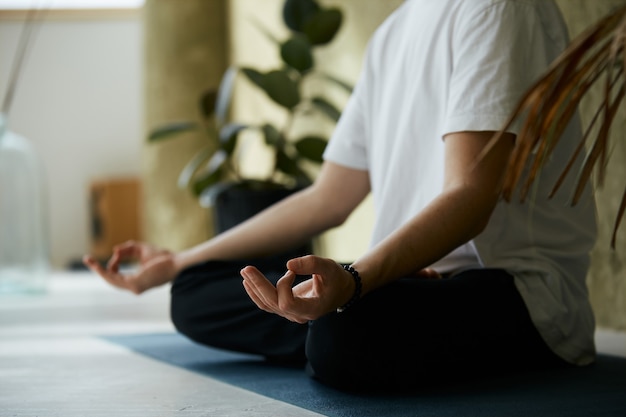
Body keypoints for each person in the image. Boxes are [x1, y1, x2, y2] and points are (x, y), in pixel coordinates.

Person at [84, 0, 598, 392]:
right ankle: (328, 316)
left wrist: (357, 281)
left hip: (515, 291)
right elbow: (329, 196)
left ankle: (331, 322)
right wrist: (179, 260)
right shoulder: (394, 32)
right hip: (401, 277)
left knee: (343, 337)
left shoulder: (496, 9)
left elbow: (470, 196)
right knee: (195, 293)